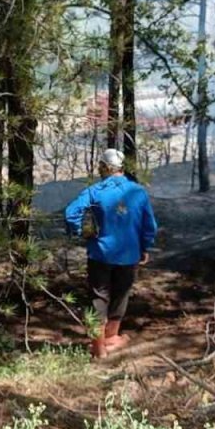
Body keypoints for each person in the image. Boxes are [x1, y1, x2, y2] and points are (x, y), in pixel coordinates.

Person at [64, 148, 158, 359]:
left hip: (100, 254)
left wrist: (80, 231)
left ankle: (99, 349)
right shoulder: (138, 191)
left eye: (100, 166)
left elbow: (71, 213)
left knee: (99, 298)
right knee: (120, 295)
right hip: (129, 254)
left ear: (105, 168)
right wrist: (144, 247)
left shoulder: (95, 191)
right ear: (121, 167)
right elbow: (149, 225)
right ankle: (111, 337)